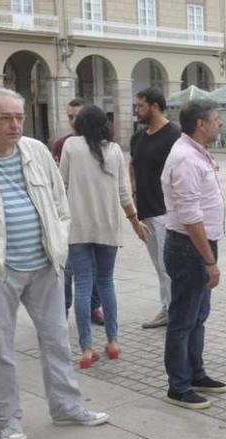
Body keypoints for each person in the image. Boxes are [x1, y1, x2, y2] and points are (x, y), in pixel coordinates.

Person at [0, 88, 108, 439]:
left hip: (44, 264)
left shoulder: (36, 151)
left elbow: (60, 203)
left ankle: (66, 407)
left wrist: (58, 244)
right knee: (1, 349)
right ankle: (8, 419)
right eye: (6, 117)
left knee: (57, 341)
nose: (15, 124)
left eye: (19, 117)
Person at [59, 105, 148, 368]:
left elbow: (61, 186)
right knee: (106, 283)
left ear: (79, 125)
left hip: (78, 228)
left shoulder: (71, 147)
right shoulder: (114, 150)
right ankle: (113, 341)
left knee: (83, 285)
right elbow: (124, 193)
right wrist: (136, 225)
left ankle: (86, 349)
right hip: (108, 227)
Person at [161, 99, 226, 410]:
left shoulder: (196, 152)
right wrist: (210, 261)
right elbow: (190, 216)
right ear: (201, 124)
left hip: (199, 246)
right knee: (183, 319)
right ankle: (179, 385)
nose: (220, 124)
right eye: (216, 119)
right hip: (189, 248)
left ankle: (195, 373)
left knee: (198, 316)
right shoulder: (186, 158)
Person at [130, 87, 182, 329]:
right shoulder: (138, 137)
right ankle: (168, 307)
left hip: (166, 211)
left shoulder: (175, 135)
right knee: (158, 265)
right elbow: (133, 165)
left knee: (167, 265)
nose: (137, 110)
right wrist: (133, 191)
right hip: (145, 211)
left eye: (141, 106)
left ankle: (174, 311)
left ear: (155, 106)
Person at [52, 98, 103, 326]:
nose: (73, 121)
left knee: (94, 268)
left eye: (77, 116)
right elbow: (58, 181)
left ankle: (94, 307)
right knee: (69, 270)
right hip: (70, 217)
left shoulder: (102, 145)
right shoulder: (63, 144)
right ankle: (62, 312)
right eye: (70, 116)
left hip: (95, 216)